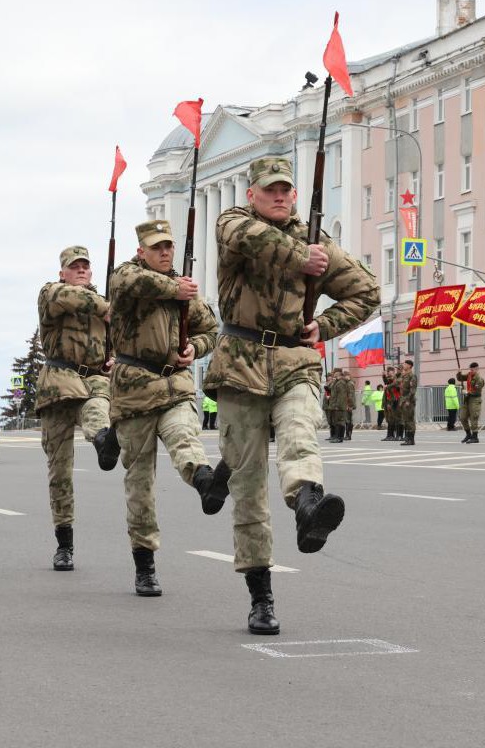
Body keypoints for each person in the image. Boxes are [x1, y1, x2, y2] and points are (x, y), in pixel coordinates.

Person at [204, 155, 379, 635]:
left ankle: (307, 503)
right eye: (270, 189)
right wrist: (300, 257)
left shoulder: (317, 242)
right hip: (239, 362)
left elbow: (367, 292)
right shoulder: (234, 222)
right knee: (247, 488)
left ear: (295, 195)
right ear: (253, 194)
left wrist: (324, 324)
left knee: (301, 431)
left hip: (295, 362)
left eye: (286, 189)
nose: (279, 196)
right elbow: (244, 238)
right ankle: (260, 593)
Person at [109, 219, 228, 597]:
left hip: (174, 385)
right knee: (140, 484)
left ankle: (205, 481)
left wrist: (197, 348)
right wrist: (174, 288)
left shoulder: (187, 289)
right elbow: (125, 283)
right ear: (142, 250)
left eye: (169, 247)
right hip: (134, 392)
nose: (164, 252)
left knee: (185, 438)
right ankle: (144, 563)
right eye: (156, 247)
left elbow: (211, 330)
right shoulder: (129, 277)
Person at [36, 245, 118, 570]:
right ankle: (64, 543)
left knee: (98, 405)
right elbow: (68, 299)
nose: (82, 270)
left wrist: (114, 357)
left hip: (94, 379)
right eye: (75, 266)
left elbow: (117, 341)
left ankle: (103, 441)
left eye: (86, 266)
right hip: (58, 382)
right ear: (63, 272)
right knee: (60, 471)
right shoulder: (51, 293)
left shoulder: (104, 307)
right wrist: (106, 307)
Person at [457, 362, 484, 443]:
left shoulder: (479, 379)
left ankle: (475, 437)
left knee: (474, 418)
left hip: (475, 400)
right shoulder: (469, 375)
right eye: (470, 369)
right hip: (468, 399)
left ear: (476, 369)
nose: (471, 371)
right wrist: (459, 372)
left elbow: (477, 391)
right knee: (462, 417)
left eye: (472, 369)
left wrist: (468, 392)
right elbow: (460, 378)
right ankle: (468, 434)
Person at [398, 359, 417, 445]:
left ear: (409, 366)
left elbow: (412, 390)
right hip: (403, 401)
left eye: (405, 364)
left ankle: (411, 439)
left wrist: (408, 400)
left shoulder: (412, 376)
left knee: (409, 420)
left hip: (408, 401)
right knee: (405, 420)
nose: (403, 365)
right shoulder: (404, 376)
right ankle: (407, 438)